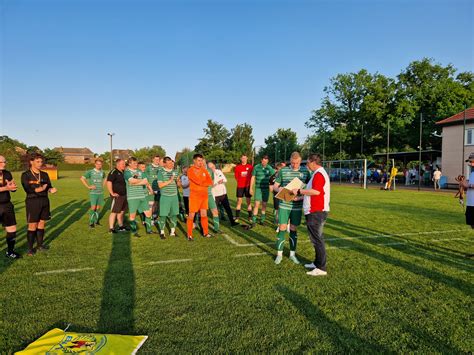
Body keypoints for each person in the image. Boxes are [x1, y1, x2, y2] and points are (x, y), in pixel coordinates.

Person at [293, 154, 330, 276]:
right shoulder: (317, 173)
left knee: (317, 239)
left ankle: (321, 268)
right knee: (315, 239)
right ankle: (317, 263)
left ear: (314, 162)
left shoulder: (319, 174)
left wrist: (299, 191)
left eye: (308, 162)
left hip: (316, 211)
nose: (306, 164)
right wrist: (300, 198)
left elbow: (316, 192)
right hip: (314, 210)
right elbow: (312, 192)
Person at [272, 152, 310, 265]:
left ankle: (292, 254)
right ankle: (279, 254)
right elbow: (275, 186)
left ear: (300, 161)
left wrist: (301, 197)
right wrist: (282, 190)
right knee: (282, 227)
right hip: (284, 204)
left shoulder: (305, 171)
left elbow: (310, 189)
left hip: (297, 206)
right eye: (293, 163)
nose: (295, 165)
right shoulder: (283, 171)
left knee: (293, 228)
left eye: (297, 163)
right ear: (290, 160)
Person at [21, 153, 57, 256]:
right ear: (31, 162)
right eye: (37, 161)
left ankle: (40, 245)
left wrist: (51, 189)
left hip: (44, 201)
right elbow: (27, 189)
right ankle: (30, 248)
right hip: (32, 201)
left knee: (41, 223)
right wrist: (39, 189)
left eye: (41, 161)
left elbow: (49, 186)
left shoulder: (45, 174)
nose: (40, 163)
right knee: (33, 224)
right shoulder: (26, 175)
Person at [186, 154, 213, 240]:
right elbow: (197, 181)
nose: (200, 162)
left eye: (201, 160)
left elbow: (210, 181)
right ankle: (189, 235)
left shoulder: (204, 170)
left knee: (204, 214)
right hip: (194, 196)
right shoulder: (190, 170)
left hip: (204, 196)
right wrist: (204, 183)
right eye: (198, 160)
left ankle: (205, 233)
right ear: (194, 161)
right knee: (191, 215)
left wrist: (204, 183)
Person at [124, 157, 154, 237]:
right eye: (134, 163)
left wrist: (150, 189)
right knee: (132, 216)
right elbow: (131, 181)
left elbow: (146, 181)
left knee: (148, 214)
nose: (135, 164)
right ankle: (134, 232)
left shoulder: (140, 171)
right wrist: (141, 182)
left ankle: (149, 230)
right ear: (129, 164)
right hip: (132, 197)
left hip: (142, 196)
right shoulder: (127, 172)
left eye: (136, 163)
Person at [0, 155, 21, 259]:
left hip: (6, 204)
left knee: (12, 229)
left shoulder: (7, 173)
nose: (4, 164)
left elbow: (13, 188)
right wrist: (6, 188)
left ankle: (10, 251)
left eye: (4, 162)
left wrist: (12, 188)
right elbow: (5, 188)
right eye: (1, 162)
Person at [209, 161, 239, 227]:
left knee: (228, 208)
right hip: (215, 195)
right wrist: (217, 182)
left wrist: (221, 181)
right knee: (215, 210)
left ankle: (232, 222)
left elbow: (225, 180)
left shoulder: (219, 171)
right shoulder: (209, 174)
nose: (212, 168)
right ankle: (216, 224)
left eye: (212, 166)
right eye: (210, 167)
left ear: (214, 166)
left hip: (223, 194)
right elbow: (211, 185)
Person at [157, 157, 180, 238]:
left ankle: (173, 231)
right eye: (169, 163)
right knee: (163, 215)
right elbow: (160, 185)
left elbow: (178, 184)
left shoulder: (175, 172)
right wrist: (170, 181)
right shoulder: (161, 172)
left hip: (174, 196)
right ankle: (162, 232)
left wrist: (179, 182)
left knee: (174, 214)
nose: (171, 164)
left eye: (172, 163)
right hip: (165, 197)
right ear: (164, 164)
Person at [249, 155, 275, 227]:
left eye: (266, 161)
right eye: (263, 160)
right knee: (256, 204)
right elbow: (253, 177)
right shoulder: (256, 167)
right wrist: (251, 188)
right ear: (261, 160)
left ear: (268, 161)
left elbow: (274, 176)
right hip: (258, 188)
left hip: (266, 189)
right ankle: (254, 221)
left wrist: (272, 186)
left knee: (264, 205)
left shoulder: (269, 168)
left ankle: (262, 220)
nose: (264, 162)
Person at [80, 158, 106, 228]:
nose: (99, 165)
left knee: (98, 208)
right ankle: (91, 223)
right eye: (97, 164)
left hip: (100, 193)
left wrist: (102, 186)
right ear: (95, 164)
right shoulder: (90, 172)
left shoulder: (102, 172)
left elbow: (105, 178)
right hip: (93, 193)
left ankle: (96, 221)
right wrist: (88, 186)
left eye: (100, 164)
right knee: (93, 207)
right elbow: (82, 178)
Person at [107, 159, 129, 233]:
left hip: (124, 195)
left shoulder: (123, 172)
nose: (124, 165)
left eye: (124, 164)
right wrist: (112, 193)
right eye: (123, 164)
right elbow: (109, 182)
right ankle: (111, 228)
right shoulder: (114, 172)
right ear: (118, 164)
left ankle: (121, 226)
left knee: (122, 212)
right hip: (117, 196)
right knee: (114, 211)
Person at [234, 154, 253, 221]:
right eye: (242, 158)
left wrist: (250, 186)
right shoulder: (237, 167)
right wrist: (240, 181)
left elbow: (252, 177)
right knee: (239, 201)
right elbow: (236, 177)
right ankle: (237, 217)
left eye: (245, 158)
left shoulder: (250, 167)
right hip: (240, 187)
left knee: (248, 202)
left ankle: (250, 217)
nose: (244, 159)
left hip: (247, 186)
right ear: (241, 159)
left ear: (247, 158)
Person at [205, 160, 221, 234]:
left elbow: (212, 181)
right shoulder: (196, 170)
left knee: (215, 211)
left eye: (203, 161)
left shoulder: (210, 171)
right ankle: (201, 227)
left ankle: (216, 228)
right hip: (200, 195)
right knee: (201, 213)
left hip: (209, 195)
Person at [145, 155, 162, 222]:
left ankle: (154, 217)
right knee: (151, 204)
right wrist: (149, 188)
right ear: (153, 160)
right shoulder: (148, 168)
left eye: (158, 160)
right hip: (151, 189)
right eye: (155, 159)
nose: (157, 161)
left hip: (158, 189)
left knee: (157, 203)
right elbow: (145, 179)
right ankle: (149, 219)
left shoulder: (160, 168)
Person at [269, 162, 284, 229]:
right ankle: (278, 224)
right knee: (277, 209)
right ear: (276, 169)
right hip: (276, 195)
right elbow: (271, 188)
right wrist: (275, 194)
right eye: (278, 169)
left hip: (284, 195)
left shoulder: (284, 176)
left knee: (284, 210)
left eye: (280, 169)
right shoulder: (273, 177)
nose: (279, 170)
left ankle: (286, 225)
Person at [461, 153, 474, 228]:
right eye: (470, 162)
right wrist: (463, 183)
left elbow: (469, 185)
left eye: (472, 161)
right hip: (470, 204)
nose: (471, 164)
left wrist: (468, 185)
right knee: (472, 225)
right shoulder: (472, 173)